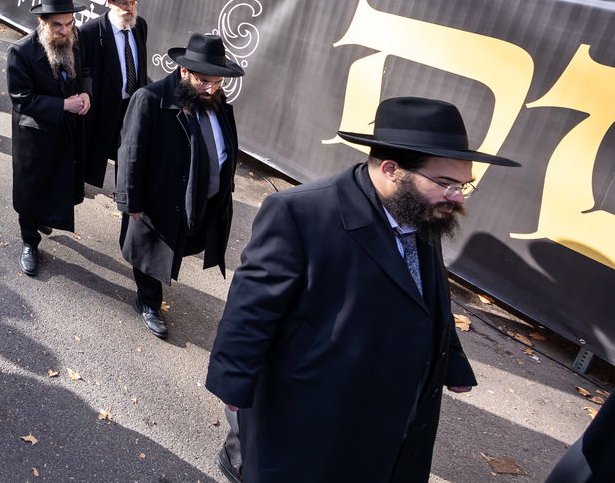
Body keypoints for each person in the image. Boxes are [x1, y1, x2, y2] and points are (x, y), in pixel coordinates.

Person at [206, 96, 503, 482]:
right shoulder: (301, 212)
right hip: (317, 402)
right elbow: (253, 307)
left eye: (465, 185)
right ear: (393, 169)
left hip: (394, 407)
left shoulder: (421, 210)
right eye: (447, 183)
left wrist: (451, 363)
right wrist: (234, 383)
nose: (459, 197)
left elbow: (426, 295)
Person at [116, 32, 241, 339]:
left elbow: (225, 146)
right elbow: (131, 154)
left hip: (201, 199)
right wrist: (131, 202)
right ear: (184, 71)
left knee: (179, 247)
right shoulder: (150, 99)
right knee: (151, 252)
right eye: (203, 81)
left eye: (218, 82)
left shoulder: (219, 102)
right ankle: (148, 302)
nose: (210, 89)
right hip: (161, 200)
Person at [6, 0, 91, 278]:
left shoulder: (75, 40)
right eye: (57, 24)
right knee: (31, 191)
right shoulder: (21, 51)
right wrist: (63, 104)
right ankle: (29, 242)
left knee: (59, 181)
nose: (64, 30)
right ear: (42, 22)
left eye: (69, 24)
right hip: (34, 136)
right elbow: (21, 98)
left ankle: (47, 216)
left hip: (66, 131)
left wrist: (87, 94)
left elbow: (86, 71)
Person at [79, 0, 150, 192]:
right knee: (93, 149)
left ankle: (125, 194)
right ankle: (77, 185)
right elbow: (83, 69)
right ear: (110, 2)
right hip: (102, 105)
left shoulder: (140, 26)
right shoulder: (91, 31)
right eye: (124, 3)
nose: (130, 8)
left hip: (131, 105)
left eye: (133, 2)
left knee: (130, 153)